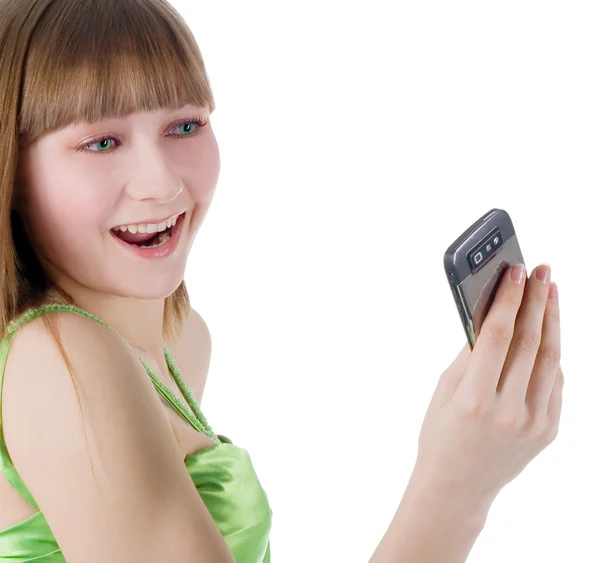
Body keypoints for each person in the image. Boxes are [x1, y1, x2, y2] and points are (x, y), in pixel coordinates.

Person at [0, 1, 563, 562]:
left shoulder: (181, 342)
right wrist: (456, 487)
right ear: (13, 168)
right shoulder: (60, 363)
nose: (160, 182)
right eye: (101, 142)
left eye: (185, 125)